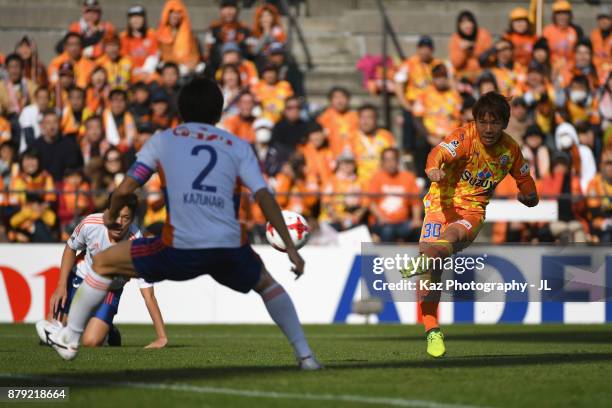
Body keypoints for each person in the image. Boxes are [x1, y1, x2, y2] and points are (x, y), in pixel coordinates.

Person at [48, 77, 321, 370]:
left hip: (178, 247)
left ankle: (70, 338)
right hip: (228, 248)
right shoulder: (238, 146)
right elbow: (265, 197)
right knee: (268, 285)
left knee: (102, 263)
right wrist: (291, 248)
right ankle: (306, 356)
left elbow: (125, 189)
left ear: (180, 109)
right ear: (219, 111)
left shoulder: (163, 141)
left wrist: (112, 213)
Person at [401, 92, 538, 358]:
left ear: (505, 123)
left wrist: (530, 196)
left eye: (495, 122)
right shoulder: (464, 137)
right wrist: (433, 171)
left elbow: (526, 180)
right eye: (483, 121)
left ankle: (425, 259)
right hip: (439, 204)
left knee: (448, 240)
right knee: (433, 271)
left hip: (472, 211)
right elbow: (437, 154)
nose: (488, 128)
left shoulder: (510, 151)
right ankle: (432, 330)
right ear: (475, 121)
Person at [36, 193, 168, 349]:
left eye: (126, 218)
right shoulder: (90, 224)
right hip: (81, 277)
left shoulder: (137, 244)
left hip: (110, 289)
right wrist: (61, 285)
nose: (119, 222)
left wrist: (162, 337)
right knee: (52, 333)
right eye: (115, 216)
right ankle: (91, 322)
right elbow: (71, 248)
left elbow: (149, 295)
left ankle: (109, 331)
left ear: (132, 219)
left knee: (91, 342)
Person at [393, 35, 441, 152]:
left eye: (427, 48)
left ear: (432, 50)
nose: (424, 51)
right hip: (414, 103)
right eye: (422, 47)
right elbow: (398, 84)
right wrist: (406, 105)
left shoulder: (437, 64)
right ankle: (407, 149)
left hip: (433, 103)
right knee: (409, 116)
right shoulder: (409, 64)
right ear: (417, 49)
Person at [368, 147, 421, 242]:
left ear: (398, 161)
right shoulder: (377, 177)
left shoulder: (408, 177)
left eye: (393, 159)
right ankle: (386, 256)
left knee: (419, 229)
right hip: (382, 222)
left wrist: (416, 219)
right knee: (388, 231)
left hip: (402, 223)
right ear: (382, 162)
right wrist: (382, 218)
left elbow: (416, 203)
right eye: (387, 160)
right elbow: (372, 203)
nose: (390, 163)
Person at [31, 110, 84, 182]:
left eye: (55, 122)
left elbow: (75, 168)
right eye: (48, 123)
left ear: (59, 124)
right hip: (42, 185)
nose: (52, 126)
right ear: (42, 125)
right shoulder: (35, 146)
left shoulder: (70, 144)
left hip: (66, 186)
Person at [349, 104, 396, 183]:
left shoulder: (386, 136)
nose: (365, 121)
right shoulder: (351, 138)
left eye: (369, 117)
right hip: (360, 186)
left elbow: (396, 161)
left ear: (376, 119)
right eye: (362, 117)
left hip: (383, 184)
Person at [157, 0, 202, 74]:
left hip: (187, 68)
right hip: (170, 68)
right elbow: (164, 55)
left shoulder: (189, 34)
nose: (175, 16)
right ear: (166, 14)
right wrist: (179, 64)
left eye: (178, 13)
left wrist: (191, 64)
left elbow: (195, 54)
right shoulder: (160, 34)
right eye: (172, 12)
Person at [448, 10, 492, 83]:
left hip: (482, 76)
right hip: (463, 77)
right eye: (463, 23)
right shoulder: (455, 38)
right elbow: (456, 64)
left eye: (469, 22)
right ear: (459, 26)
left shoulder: (483, 34)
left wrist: (473, 50)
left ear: (474, 23)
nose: (467, 26)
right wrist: (463, 51)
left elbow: (489, 58)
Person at [120, 5, 159, 84]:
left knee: (157, 81)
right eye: (133, 17)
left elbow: (154, 54)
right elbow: (124, 57)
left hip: (148, 72)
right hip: (131, 73)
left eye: (139, 17)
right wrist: (135, 69)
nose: (136, 20)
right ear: (129, 20)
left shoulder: (152, 34)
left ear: (144, 19)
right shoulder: (123, 37)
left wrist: (146, 70)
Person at [317, 87, 359, 158]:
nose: (339, 101)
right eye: (336, 98)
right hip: (332, 158)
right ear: (330, 101)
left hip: (353, 156)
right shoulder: (323, 118)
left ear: (348, 100)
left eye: (342, 97)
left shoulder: (356, 117)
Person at [543, 0, 582, 73]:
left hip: (570, 69)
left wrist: (570, 66)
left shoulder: (575, 31)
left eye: (565, 14)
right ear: (554, 16)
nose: (562, 17)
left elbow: (578, 53)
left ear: (570, 16)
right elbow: (543, 52)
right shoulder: (547, 31)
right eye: (559, 14)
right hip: (551, 68)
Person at [19, 87, 50, 152]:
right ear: (35, 99)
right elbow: (28, 137)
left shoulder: (51, 113)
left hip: (46, 150)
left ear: (49, 99)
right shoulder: (27, 111)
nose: (43, 101)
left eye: (46, 97)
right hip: (29, 151)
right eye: (40, 98)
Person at [591, 7, 611, 84]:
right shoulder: (593, 35)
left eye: (606, 18)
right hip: (595, 72)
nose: (603, 21)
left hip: (609, 73)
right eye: (600, 19)